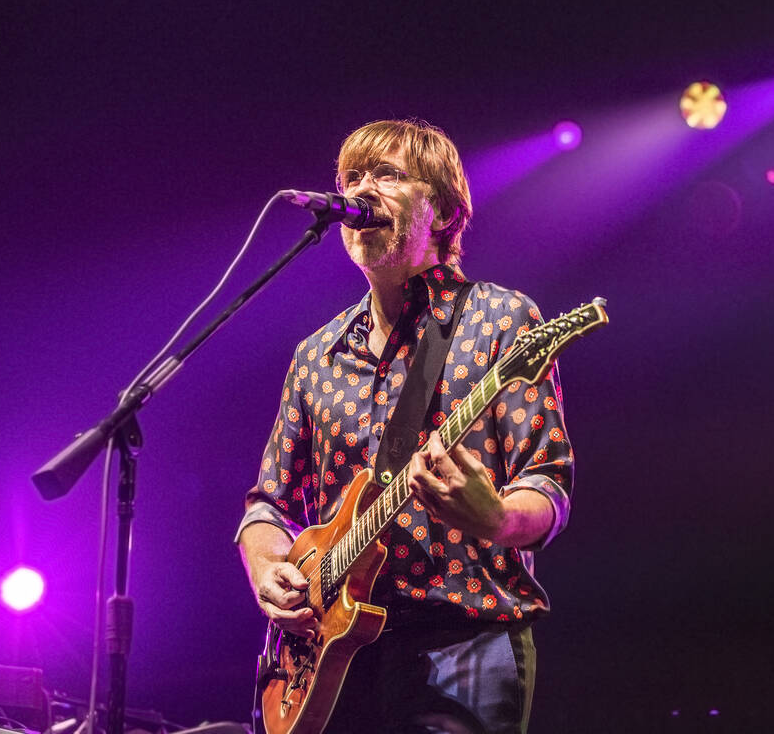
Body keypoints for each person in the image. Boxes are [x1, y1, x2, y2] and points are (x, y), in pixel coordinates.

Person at [236, 119, 574, 733]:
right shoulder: (317, 355)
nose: (362, 192)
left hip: (461, 639)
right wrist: (269, 570)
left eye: (387, 176)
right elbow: (267, 505)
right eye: (351, 178)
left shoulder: (499, 319)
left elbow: (548, 485)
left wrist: (497, 519)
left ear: (442, 209)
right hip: (329, 650)